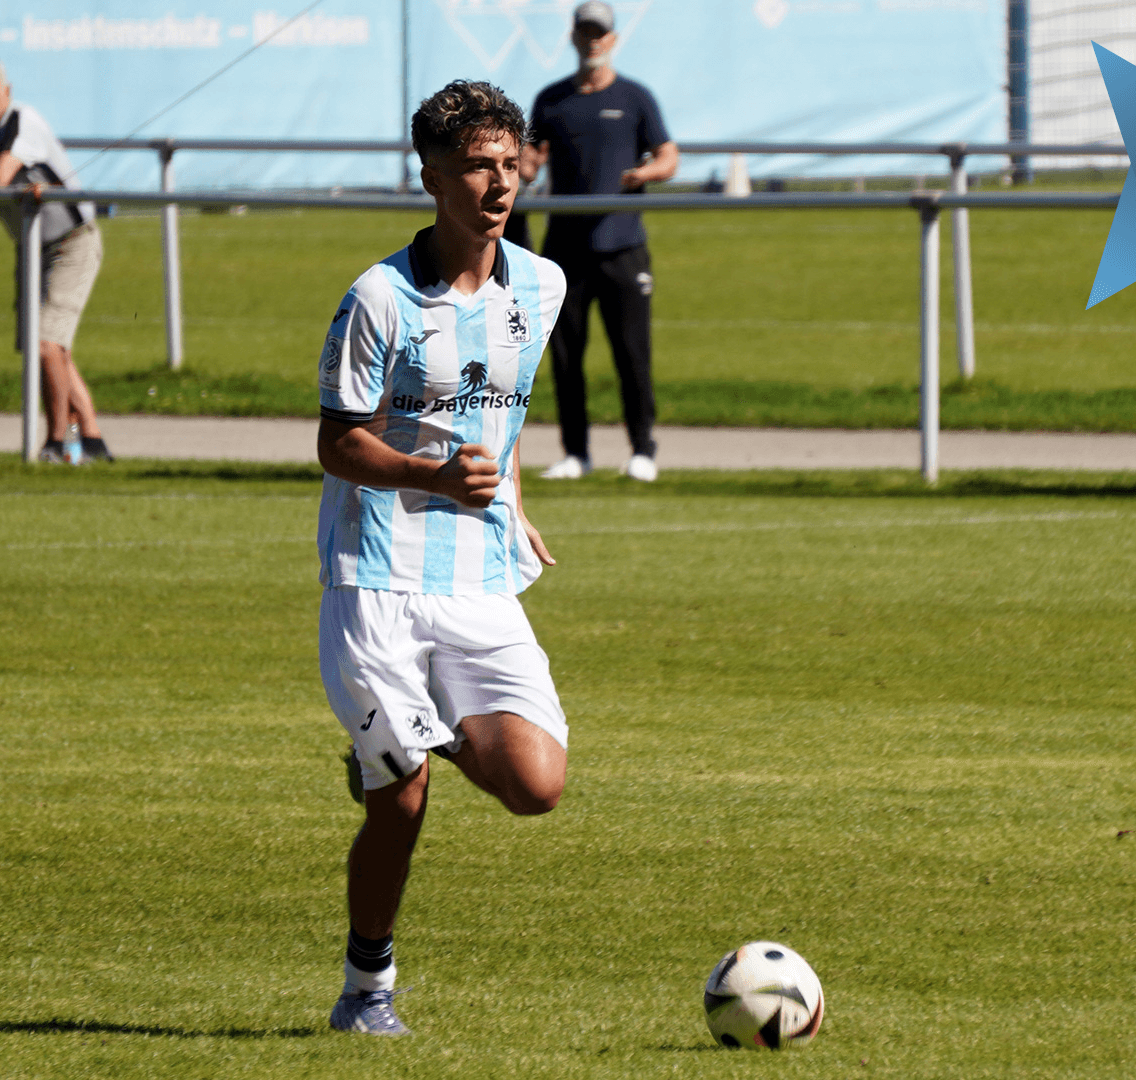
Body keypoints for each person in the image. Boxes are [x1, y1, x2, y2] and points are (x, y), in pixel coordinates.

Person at [317, 79, 569, 1037]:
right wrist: (426, 474)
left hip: (480, 577)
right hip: (375, 580)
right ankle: (365, 992)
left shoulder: (540, 287)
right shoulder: (378, 298)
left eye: (511, 164)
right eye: (477, 165)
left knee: (537, 787)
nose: (499, 183)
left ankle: (406, 739)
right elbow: (339, 443)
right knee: (403, 797)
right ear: (429, 174)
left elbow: (499, 417)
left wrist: (511, 494)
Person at [0, 58, 112, 463]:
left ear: (7, 91)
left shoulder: (23, 120)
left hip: (72, 241)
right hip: (31, 245)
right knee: (48, 348)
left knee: (47, 345)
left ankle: (57, 443)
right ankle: (94, 441)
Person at [527, 0, 678, 481]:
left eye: (601, 33)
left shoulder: (635, 97)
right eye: (585, 32)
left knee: (632, 353)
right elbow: (528, 161)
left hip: (622, 243)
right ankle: (576, 453)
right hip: (564, 251)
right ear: (573, 37)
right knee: (566, 357)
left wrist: (645, 174)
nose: (593, 41)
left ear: (612, 40)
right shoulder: (551, 100)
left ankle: (643, 450)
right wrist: (526, 166)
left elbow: (669, 156)